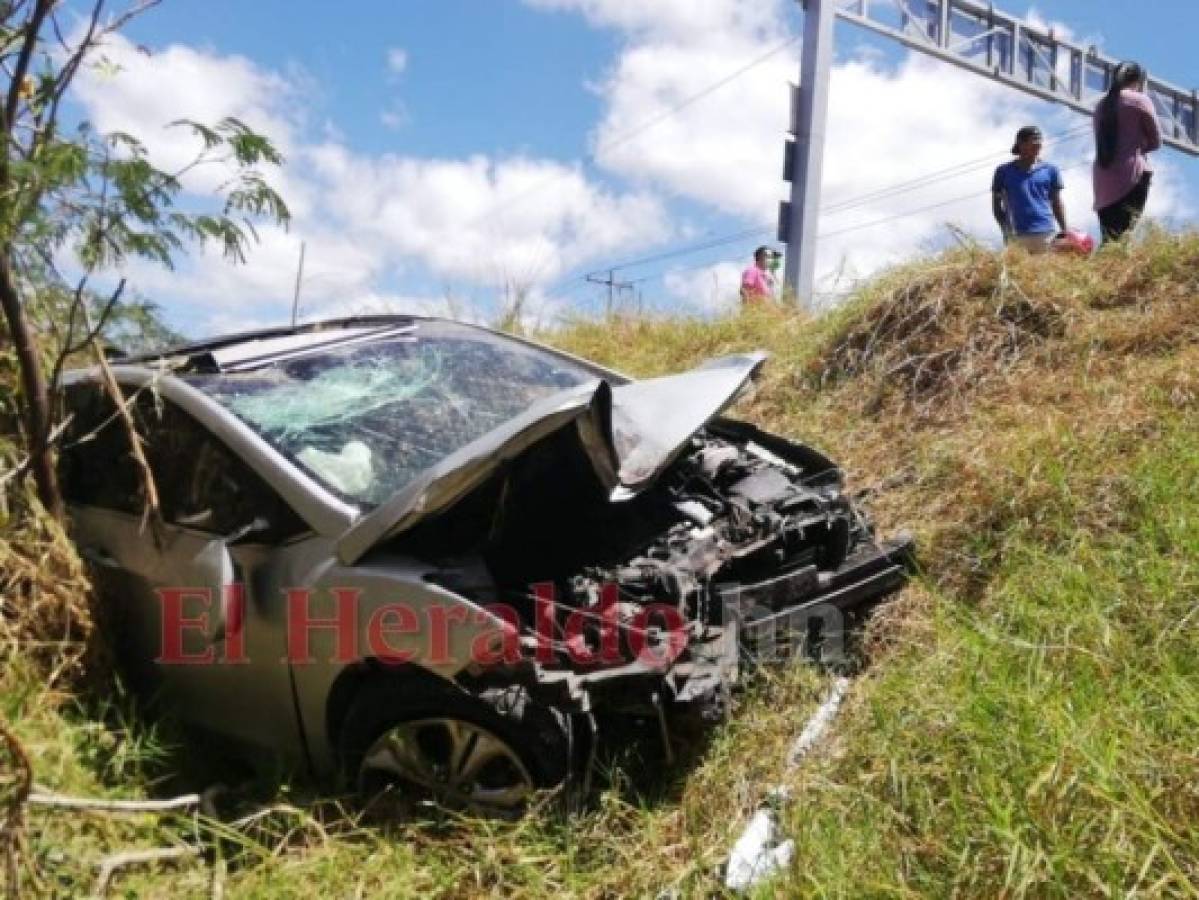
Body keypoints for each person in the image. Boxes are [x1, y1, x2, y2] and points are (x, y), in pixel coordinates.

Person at [1093, 61, 1161, 242]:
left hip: (1102, 179)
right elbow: (1156, 141)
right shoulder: (1140, 100)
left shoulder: (1101, 105)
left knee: (1109, 238)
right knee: (1124, 237)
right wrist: (1136, 146)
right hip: (1132, 175)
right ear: (1137, 81)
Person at [992, 125, 1068, 254]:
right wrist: (1005, 230)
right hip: (1017, 234)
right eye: (1033, 140)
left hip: (1046, 232)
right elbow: (997, 205)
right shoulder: (1003, 171)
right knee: (1020, 273)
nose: (1038, 144)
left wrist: (1065, 230)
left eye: (1040, 140)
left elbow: (1057, 203)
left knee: (1046, 272)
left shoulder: (1051, 170)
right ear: (1020, 144)